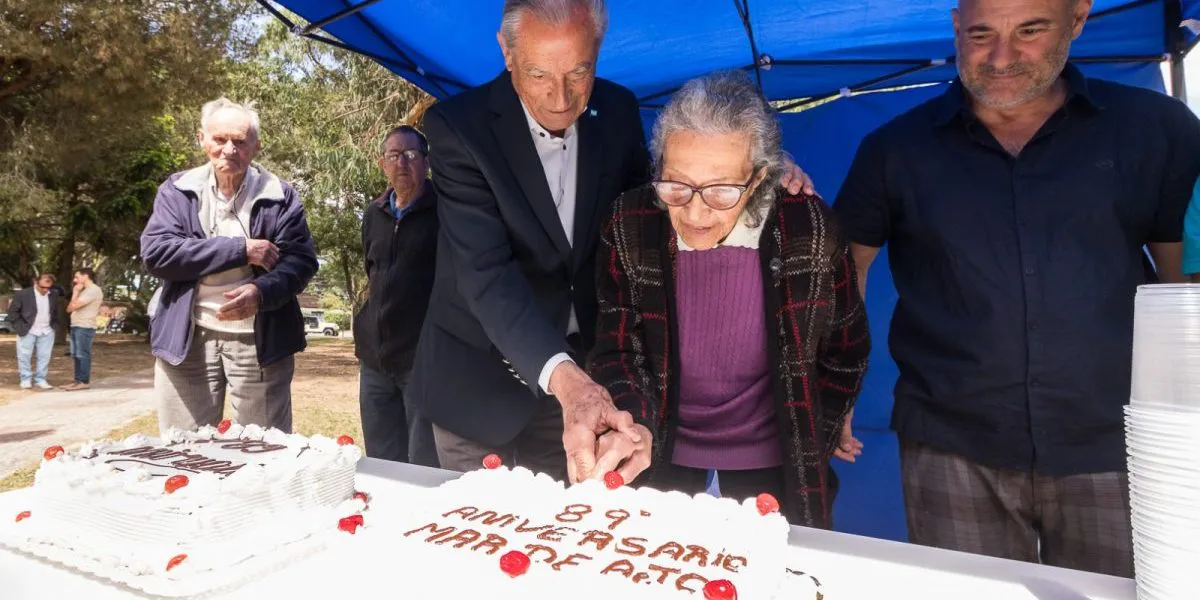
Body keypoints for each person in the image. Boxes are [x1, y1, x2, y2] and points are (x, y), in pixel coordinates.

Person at [834, 0, 1200, 577]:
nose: (1002, 57)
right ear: (956, 26)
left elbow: (1185, 283)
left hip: (1115, 439)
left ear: (1078, 19)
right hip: (950, 437)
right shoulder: (895, 150)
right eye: (981, 34)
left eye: (1030, 30)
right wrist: (836, 389)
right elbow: (844, 274)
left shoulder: (1158, 130)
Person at [409, 0, 814, 484]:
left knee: (564, 536)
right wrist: (567, 381)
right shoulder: (458, 127)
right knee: (475, 537)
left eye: (578, 73)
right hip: (477, 380)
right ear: (507, 51)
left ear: (598, 51)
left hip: (581, 386)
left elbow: (656, 209)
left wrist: (756, 175)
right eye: (539, 75)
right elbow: (486, 273)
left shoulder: (618, 111)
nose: (560, 98)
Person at [586, 71, 870, 527]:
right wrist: (632, 424)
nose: (695, 214)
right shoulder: (630, 222)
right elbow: (618, 347)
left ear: (759, 178)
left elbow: (846, 349)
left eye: (721, 191)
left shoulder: (808, 230)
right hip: (655, 451)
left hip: (777, 465)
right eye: (676, 186)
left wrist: (815, 433)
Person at [141, 97, 318, 434]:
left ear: (256, 145)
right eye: (219, 139)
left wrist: (260, 291)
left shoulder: (280, 195)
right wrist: (240, 250)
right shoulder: (177, 191)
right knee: (184, 448)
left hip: (261, 341)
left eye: (239, 141)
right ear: (202, 139)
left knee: (265, 449)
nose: (229, 150)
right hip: (187, 339)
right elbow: (157, 253)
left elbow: (300, 262)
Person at [354, 125, 440, 467]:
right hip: (374, 360)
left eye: (411, 155)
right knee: (380, 462)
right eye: (394, 155)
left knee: (423, 462)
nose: (402, 162)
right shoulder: (374, 214)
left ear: (425, 163)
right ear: (382, 164)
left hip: (420, 360)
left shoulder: (444, 210)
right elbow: (371, 273)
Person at [9, 273, 62, 390]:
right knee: (24, 356)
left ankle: (41, 379)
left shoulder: (53, 294)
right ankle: (25, 379)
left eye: (48, 287)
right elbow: (12, 313)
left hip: (47, 330)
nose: (45, 290)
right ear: (35, 282)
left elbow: (55, 312)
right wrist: (19, 327)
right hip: (28, 330)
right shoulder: (23, 294)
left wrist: (55, 326)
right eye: (42, 287)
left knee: (44, 356)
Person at [63, 268, 103, 391]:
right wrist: (76, 293)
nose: (75, 280)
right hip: (76, 325)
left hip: (84, 326)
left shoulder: (93, 290)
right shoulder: (85, 291)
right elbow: (69, 309)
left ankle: (83, 382)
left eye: (77, 277)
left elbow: (72, 307)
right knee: (76, 354)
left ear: (86, 276)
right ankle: (77, 380)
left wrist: (75, 292)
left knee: (83, 354)